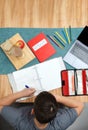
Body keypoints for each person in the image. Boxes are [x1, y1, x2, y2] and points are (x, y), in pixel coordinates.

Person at [0, 88, 84, 130]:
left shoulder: (20, 121)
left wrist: (21, 94)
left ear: (32, 111)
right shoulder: (60, 123)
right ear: (54, 115)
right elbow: (80, 105)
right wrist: (57, 98)